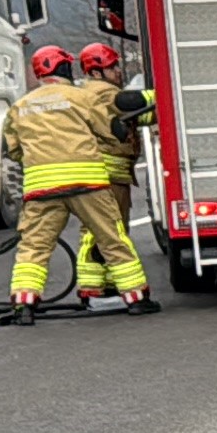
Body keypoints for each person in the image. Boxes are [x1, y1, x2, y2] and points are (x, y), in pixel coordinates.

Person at [4, 46, 155, 314]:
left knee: (34, 247)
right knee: (112, 238)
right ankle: (136, 300)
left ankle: (24, 304)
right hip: (88, 184)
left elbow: (14, 150)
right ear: (66, 69)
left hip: (41, 188)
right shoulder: (80, 97)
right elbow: (108, 130)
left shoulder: (19, 106)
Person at [64, 43, 145, 304]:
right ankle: (92, 286)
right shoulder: (100, 92)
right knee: (102, 231)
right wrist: (164, 93)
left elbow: (134, 116)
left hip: (112, 176)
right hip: (106, 175)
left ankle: (104, 283)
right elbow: (133, 103)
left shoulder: (100, 95)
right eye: (112, 68)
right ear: (96, 73)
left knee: (109, 229)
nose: (118, 72)